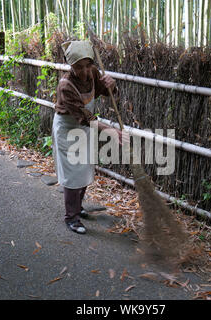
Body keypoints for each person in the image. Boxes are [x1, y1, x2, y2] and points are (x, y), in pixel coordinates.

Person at [53, 40, 123, 234]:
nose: (84, 71)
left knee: (84, 169)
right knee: (73, 174)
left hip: (85, 127)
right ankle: (71, 218)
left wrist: (112, 85)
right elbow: (84, 117)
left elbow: (105, 91)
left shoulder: (92, 73)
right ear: (71, 66)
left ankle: (78, 207)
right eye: (78, 67)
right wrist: (108, 130)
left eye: (87, 65)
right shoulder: (65, 86)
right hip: (68, 128)